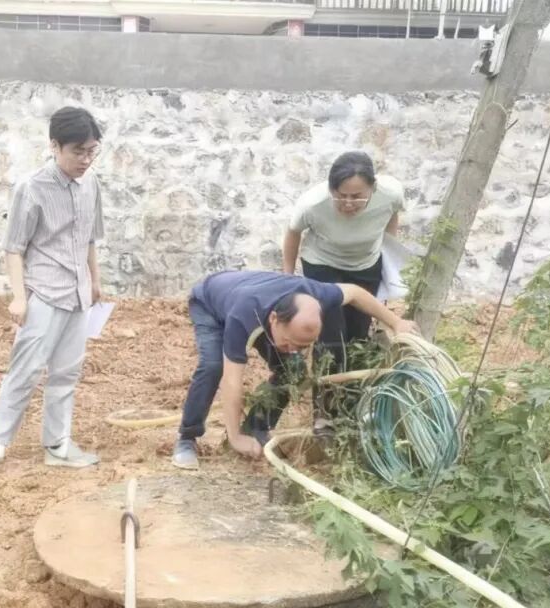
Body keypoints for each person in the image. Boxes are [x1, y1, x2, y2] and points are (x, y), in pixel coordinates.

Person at [171, 270, 419, 470]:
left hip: (252, 297)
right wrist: (234, 438)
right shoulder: (243, 315)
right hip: (210, 303)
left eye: (303, 346)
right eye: (290, 343)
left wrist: (396, 322)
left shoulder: (318, 294)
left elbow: (355, 293)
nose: (294, 349)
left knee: (294, 370)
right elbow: (232, 380)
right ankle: (187, 438)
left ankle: (255, 429)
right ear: (274, 320)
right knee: (213, 366)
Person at [0, 106, 105, 468]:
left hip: (78, 293)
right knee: (26, 368)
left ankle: (57, 444)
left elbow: (90, 238)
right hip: (44, 293)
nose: (85, 160)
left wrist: (95, 281)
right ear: (54, 146)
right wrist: (19, 298)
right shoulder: (31, 187)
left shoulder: (91, 184)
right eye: (77, 152)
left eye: (91, 151)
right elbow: (14, 247)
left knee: (66, 372)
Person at [281, 151, 405, 374]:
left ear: (373, 188)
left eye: (356, 197)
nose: (348, 204)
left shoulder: (391, 194)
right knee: (331, 337)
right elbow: (293, 232)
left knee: (358, 336)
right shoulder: (312, 203)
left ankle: (352, 389)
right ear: (331, 189)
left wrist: (388, 258)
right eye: (340, 196)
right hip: (322, 266)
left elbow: (391, 216)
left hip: (365, 266)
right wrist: (287, 277)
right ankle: (326, 391)